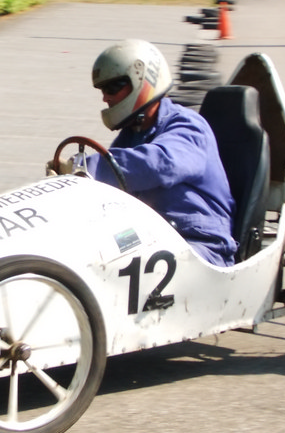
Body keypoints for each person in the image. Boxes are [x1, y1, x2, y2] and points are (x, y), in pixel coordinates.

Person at [61, 39, 237, 267]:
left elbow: (160, 165)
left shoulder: (189, 126)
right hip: (154, 236)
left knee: (119, 268)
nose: (105, 98)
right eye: (103, 90)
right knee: (85, 256)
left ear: (141, 80)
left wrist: (84, 167)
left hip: (201, 245)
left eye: (112, 88)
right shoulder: (132, 135)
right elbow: (111, 187)